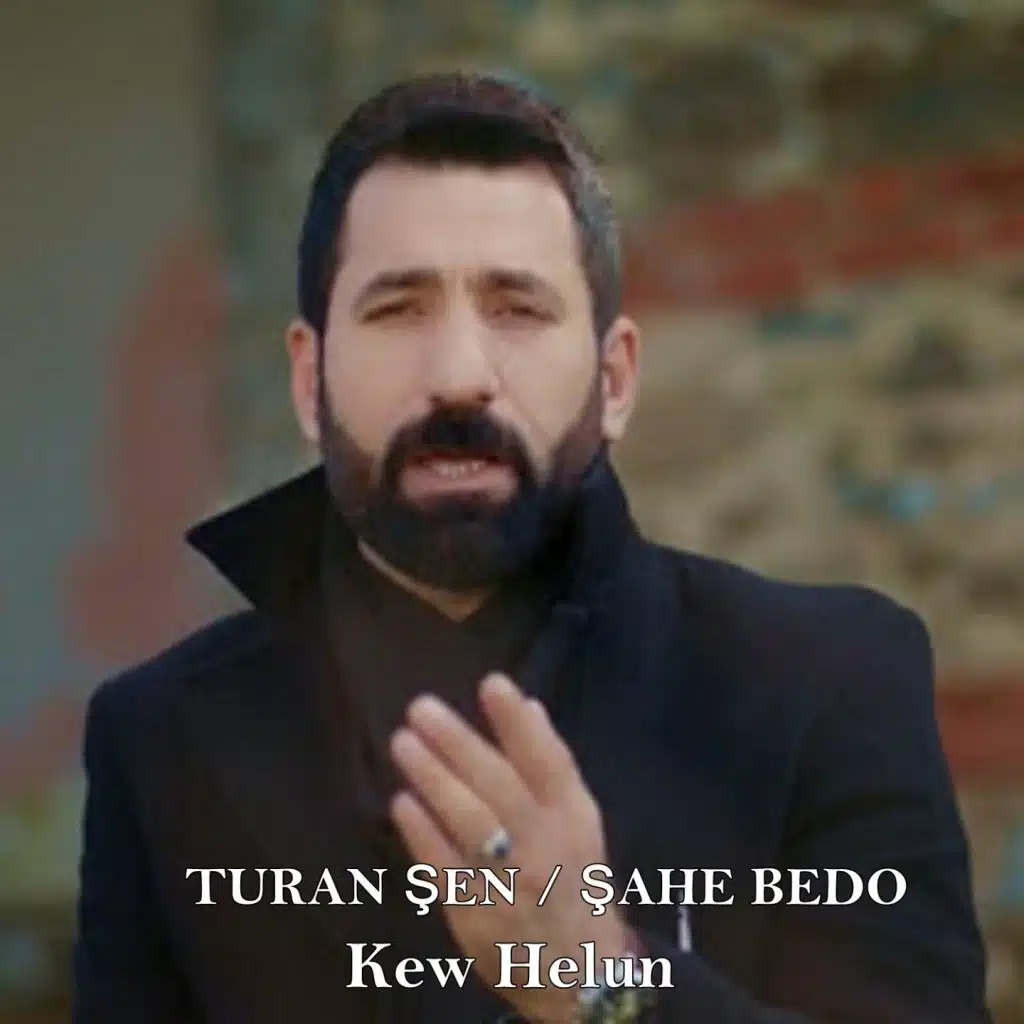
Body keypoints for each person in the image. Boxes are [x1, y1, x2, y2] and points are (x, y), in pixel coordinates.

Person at [72, 71, 991, 1023]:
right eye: (397, 308)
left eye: (517, 306)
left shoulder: (829, 682)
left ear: (615, 379)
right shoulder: (160, 736)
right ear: (310, 382)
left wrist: (603, 981)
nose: (458, 374)